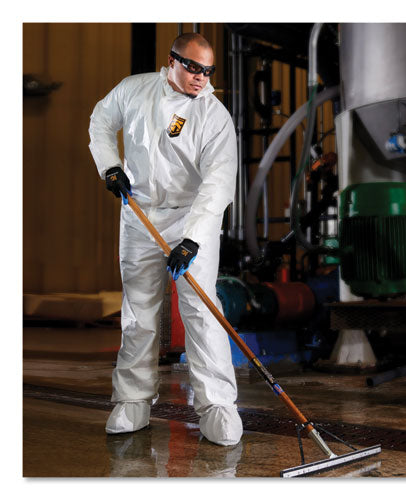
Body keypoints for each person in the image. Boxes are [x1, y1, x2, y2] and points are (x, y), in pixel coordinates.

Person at [88, 33, 242, 446]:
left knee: (201, 310)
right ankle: (132, 401)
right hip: (139, 214)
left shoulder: (214, 116)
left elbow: (218, 182)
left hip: (191, 217)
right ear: (172, 61)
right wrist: (110, 165)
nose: (201, 78)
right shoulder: (133, 90)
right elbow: (101, 120)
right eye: (193, 68)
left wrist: (192, 239)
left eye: (208, 71)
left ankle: (217, 405)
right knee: (139, 310)